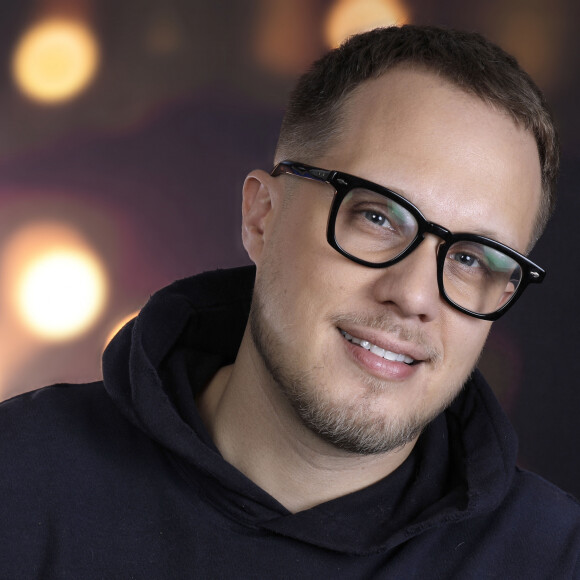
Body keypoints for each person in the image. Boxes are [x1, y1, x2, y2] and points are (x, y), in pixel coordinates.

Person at [1, 24, 578, 579]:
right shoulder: (19, 476)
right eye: (377, 217)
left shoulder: (554, 560)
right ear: (262, 217)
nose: (413, 294)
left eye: (472, 257)